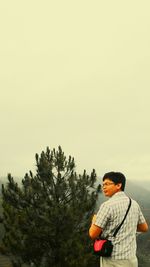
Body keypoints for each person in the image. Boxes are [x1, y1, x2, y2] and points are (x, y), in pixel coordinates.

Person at [89, 171, 148, 267]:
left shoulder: (107, 206)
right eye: (103, 184)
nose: (103, 187)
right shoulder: (133, 204)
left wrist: (94, 221)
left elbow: (92, 234)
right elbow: (144, 228)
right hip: (131, 259)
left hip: (113, 260)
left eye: (107, 184)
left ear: (118, 185)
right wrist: (128, 227)